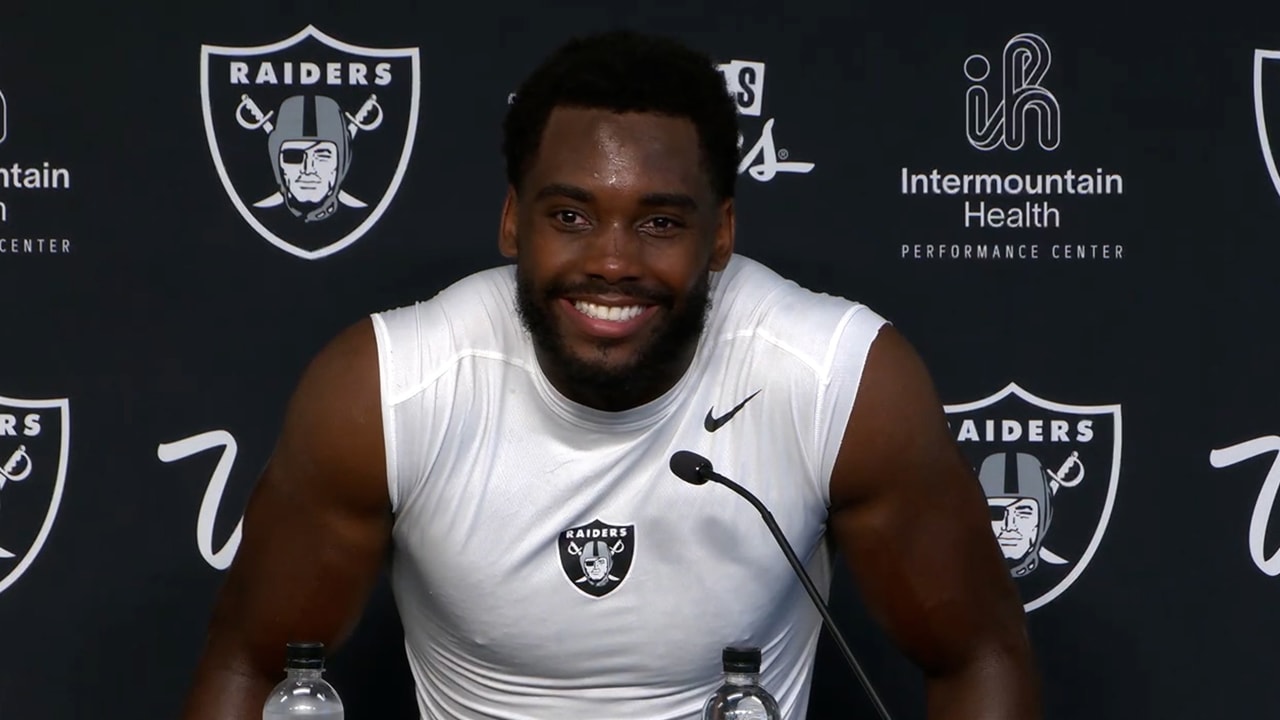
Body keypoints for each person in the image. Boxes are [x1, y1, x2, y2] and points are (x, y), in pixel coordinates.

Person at [180, 30, 1040, 719]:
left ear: (723, 235)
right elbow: (253, 669)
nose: (612, 262)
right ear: (514, 222)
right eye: (571, 215)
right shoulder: (390, 388)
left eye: (660, 222)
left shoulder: (837, 381)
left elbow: (977, 657)